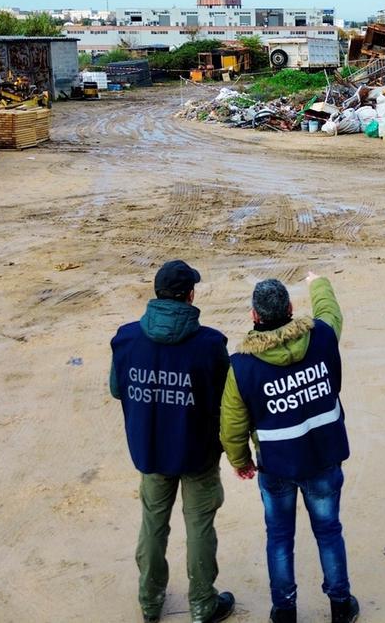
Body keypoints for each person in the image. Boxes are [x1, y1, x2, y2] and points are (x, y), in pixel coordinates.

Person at [220, 272, 360, 623]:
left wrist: (240, 460)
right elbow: (331, 313)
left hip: (276, 465)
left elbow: (232, 423)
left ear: (254, 316)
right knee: (329, 531)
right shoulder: (321, 336)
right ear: (291, 309)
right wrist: (318, 283)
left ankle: (284, 610)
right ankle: (341, 605)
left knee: (280, 537)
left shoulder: (242, 366)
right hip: (323, 456)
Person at [110, 260, 236, 623]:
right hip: (198, 452)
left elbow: (117, 389)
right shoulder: (210, 344)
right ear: (190, 296)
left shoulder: (127, 338)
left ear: (157, 294)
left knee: (153, 524)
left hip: (150, 449)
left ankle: (150, 602)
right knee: (199, 527)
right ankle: (203, 604)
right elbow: (228, 400)